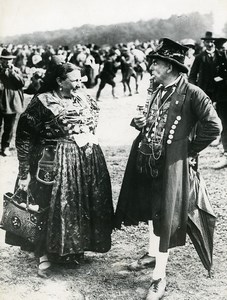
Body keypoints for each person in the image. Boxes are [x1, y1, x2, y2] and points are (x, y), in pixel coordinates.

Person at [114, 38, 222, 300]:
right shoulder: (158, 89)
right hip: (148, 161)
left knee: (167, 218)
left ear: (171, 67)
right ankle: (152, 255)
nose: (151, 67)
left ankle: (159, 277)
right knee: (154, 210)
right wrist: (140, 122)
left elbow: (214, 126)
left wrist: (187, 151)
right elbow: (155, 121)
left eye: (156, 63)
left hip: (171, 167)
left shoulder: (193, 93)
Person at [5, 62, 114, 278]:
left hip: (84, 160)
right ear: (59, 81)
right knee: (49, 204)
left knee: (78, 203)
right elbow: (24, 136)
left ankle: (71, 249)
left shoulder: (83, 96)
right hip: (51, 160)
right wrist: (24, 172)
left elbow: (92, 119)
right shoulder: (42, 101)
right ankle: (43, 253)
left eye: (80, 79)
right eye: (73, 80)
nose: (79, 83)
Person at [0, 48, 25, 156]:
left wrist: (13, 73)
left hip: (11, 102)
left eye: (10, 59)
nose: (8, 62)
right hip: (0, 100)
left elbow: (21, 83)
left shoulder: (16, 71)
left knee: (9, 127)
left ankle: (5, 146)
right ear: (1, 60)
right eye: (5, 60)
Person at [212, 38, 227, 169]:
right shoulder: (218, 60)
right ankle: (226, 155)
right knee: (225, 126)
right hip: (222, 98)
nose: (223, 51)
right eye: (221, 49)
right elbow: (215, 78)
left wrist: (222, 79)